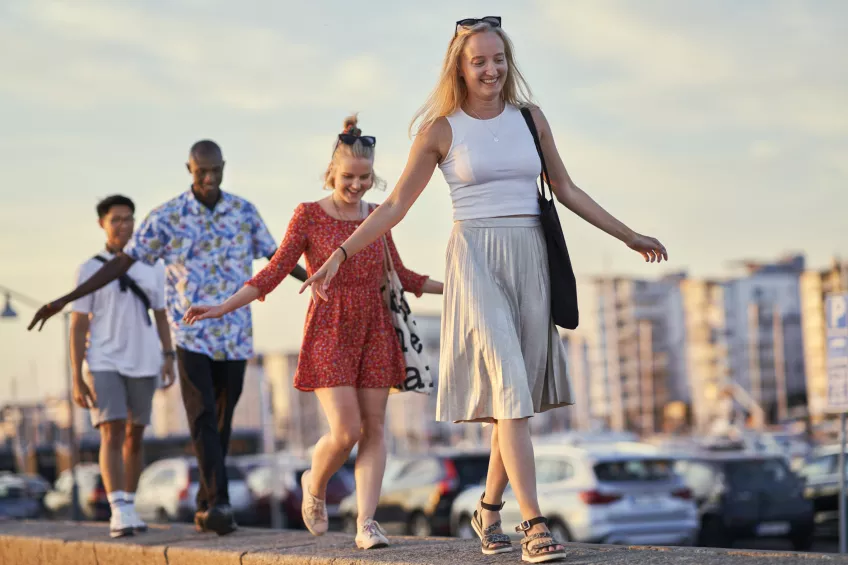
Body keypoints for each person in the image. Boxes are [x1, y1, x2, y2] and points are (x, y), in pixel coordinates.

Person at [301, 18, 668, 564]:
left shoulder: (530, 119)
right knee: (509, 387)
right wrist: (341, 252)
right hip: (474, 259)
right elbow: (397, 205)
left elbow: (565, 189)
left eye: (499, 59)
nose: (491, 69)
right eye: (480, 61)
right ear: (460, 66)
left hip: (531, 257)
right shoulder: (441, 130)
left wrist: (630, 235)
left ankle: (488, 509)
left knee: (511, 400)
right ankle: (534, 525)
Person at [182, 116, 443, 549]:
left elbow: (401, 275)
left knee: (375, 428)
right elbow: (274, 270)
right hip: (330, 329)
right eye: (348, 177)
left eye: (365, 178)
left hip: (375, 328)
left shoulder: (379, 216)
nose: (357, 185)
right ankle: (314, 482)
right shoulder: (308, 215)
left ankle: (366, 523)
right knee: (346, 431)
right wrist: (221, 307)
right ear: (330, 173)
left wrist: (455, 288)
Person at [28, 140, 308, 536]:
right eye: (201, 172)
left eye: (215, 171)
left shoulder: (243, 211)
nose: (209, 179)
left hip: (235, 334)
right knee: (202, 418)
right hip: (190, 334)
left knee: (223, 423)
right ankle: (221, 505)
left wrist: (318, 276)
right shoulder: (167, 217)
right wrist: (65, 299)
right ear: (189, 170)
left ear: (224, 168)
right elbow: (121, 263)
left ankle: (207, 502)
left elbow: (277, 258)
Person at [69, 195, 176, 538]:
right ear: (102, 223)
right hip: (104, 360)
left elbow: (161, 314)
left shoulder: (151, 267)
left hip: (144, 359)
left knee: (136, 434)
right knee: (111, 428)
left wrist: (168, 356)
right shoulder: (89, 269)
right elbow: (78, 324)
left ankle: (130, 503)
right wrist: (77, 375)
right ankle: (118, 509)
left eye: (129, 218)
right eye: (116, 219)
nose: (124, 225)